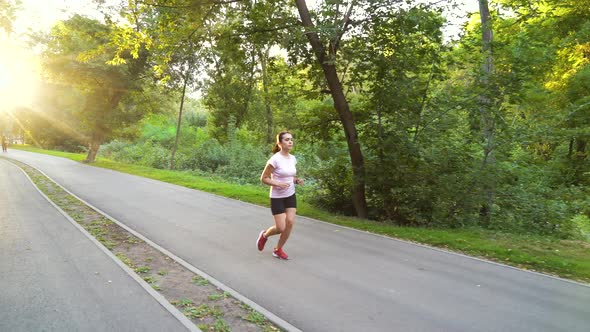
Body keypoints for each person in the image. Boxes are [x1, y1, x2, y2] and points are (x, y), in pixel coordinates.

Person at [256, 131, 304, 260]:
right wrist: (277, 183)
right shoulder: (274, 159)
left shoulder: (293, 158)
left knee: (290, 222)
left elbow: (289, 175)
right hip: (277, 197)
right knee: (281, 227)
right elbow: (264, 178)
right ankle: (265, 235)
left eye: (291, 139)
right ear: (280, 143)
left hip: (290, 195)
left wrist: (296, 180)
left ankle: (278, 249)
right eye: (287, 139)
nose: (290, 142)